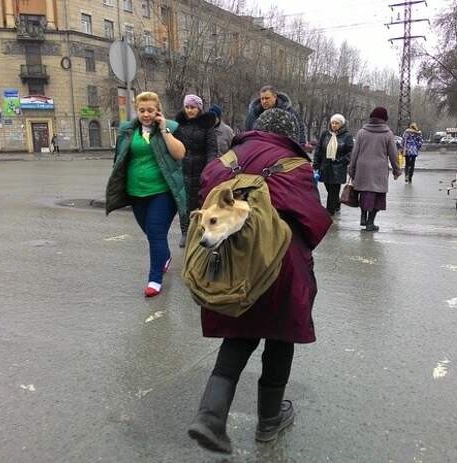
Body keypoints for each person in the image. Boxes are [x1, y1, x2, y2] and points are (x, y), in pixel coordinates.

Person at [187, 108, 332, 454]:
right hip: (282, 265)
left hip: (233, 265)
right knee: (280, 338)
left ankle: (210, 416)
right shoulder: (296, 166)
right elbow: (314, 221)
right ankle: (269, 421)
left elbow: (203, 199)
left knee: (239, 335)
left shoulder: (224, 161)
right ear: (290, 135)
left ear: (255, 130)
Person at [105, 91, 186, 297]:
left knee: (156, 233)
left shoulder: (169, 128)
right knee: (150, 233)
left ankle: (154, 279)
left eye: (150, 110)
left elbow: (179, 154)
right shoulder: (128, 131)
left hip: (162, 192)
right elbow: (120, 158)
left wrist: (164, 129)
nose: (146, 114)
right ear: (137, 111)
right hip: (136, 192)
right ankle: (165, 256)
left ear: (157, 110)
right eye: (142, 110)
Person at [348, 107, 401, 232]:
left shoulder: (361, 132)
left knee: (364, 193)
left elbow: (354, 153)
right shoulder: (388, 134)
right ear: (384, 119)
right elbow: (393, 154)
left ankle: (363, 216)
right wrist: (396, 170)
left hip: (362, 168)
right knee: (377, 197)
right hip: (379, 169)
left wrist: (352, 169)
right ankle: (370, 223)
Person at [175, 94, 218, 248]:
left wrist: (210, 169)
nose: (189, 110)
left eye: (192, 107)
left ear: (199, 108)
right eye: (187, 107)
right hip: (183, 168)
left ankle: (201, 230)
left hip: (201, 169)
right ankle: (185, 232)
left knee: (201, 202)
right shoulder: (178, 124)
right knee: (184, 203)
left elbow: (212, 149)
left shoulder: (207, 125)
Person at [312, 114, 354, 215]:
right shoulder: (325, 134)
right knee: (328, 188)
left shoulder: (347, 136)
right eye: (332, 123)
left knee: (333, 190)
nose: (334, 125)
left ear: (342, 124)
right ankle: (337, 203)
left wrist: (342, 160)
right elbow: (319, 149)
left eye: (337, 123)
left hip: (338, 168)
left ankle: (329, 212)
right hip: (325, 166)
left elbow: (351, 152)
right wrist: (316, 163)